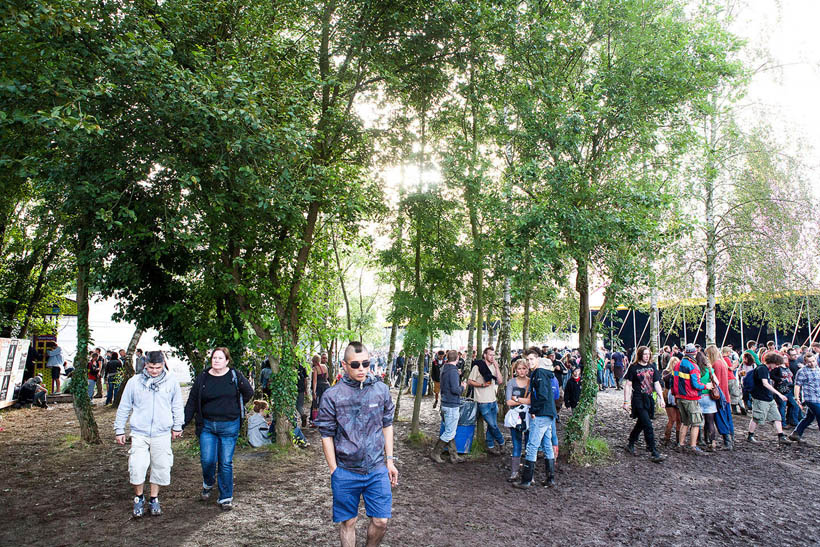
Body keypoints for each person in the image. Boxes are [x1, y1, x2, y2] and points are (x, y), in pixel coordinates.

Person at [315, 341, 398, 547]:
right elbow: (326, 435)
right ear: (344, 365)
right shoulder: (332, 396)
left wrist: (389, 460)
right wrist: (334, 470)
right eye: (355, 365)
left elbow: (387, 425)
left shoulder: (381, 390)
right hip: (346, 470)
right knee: (348, 521)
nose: (361, 369)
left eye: (366, 364)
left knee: (381, 521)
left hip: (377, 468)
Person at [183, 347, 254, 510]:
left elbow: (249, 393)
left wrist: (235, 406)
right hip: (207, 426)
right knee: (207, 460)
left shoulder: (235, 376)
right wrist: (182, 423)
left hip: (229, 425)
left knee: (225, 462)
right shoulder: (203, 377)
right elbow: (193, 401)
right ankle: (208, 482)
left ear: (227, 361)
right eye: (214, 358)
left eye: (220, 358)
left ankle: (225, 497)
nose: (216, 360)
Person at [114, 352, 184, 517]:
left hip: (162, 432)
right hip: (140, 432)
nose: (154, 371)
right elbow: (124, 406)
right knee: (137, 466)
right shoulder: (134, 382)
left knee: (160, 466)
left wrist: (177, 426)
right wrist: (119, 429)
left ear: (163, 365)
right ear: (145, 365)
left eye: (158, 367)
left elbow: (177, 405)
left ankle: (154, 498)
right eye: (151, 367)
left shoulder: (171, 381)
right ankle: (139, 498)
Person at [514, 347, 557, 489]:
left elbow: (543, 396)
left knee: (532, 446)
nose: (529, 362)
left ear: (538, 359)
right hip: (548, 413)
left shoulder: (539, 374)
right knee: (546, 445)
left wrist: (534, 410)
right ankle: (550, 479)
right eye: (527, 359)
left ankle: (526, 480)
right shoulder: (543, 373)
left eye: (531, 359)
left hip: (542, 414)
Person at [622, 346, 666, 463]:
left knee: (641, 423)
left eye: (648, 354)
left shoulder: (652, 367)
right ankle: (653, 451)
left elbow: (656, 383)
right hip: (638, 399)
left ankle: (631, 441)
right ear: (640, 354)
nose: (647, 356)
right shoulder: (634, 368)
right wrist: (626, 402)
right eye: (645, 354)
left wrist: (661, 398)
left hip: (649, 399)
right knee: (648, 425)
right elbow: (628, 384)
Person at [672, 344, 710, 455]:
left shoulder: (677, 364)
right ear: (694, 353)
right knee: (696, 423)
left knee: (685, 422)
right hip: (691, 398)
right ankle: (693, 446)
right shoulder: (693, 366)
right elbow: (696, 384)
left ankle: (681, 444)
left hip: (680, 397)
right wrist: (705, 386)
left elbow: (674, 381)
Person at [746, 352, 792, 445]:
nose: (776, 366)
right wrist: (779, 394)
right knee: (757, 417)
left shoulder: (766, 369)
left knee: (777, 417)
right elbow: (765, 383)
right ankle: (750, 435)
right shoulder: (762, 369)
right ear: (771, 362)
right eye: (776, 364)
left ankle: (781, 436)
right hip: (760, 398)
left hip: (768, 397)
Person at [466, 346, 505, 455]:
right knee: (493, 425)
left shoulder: (493, 366)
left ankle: (490, 445)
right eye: (490, 355)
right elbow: (469, 381)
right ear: (485, 355)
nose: (492, 357)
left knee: (491, 425)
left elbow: (500, 381)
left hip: (493, 399)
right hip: (482, 401)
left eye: (493, 355)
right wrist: (482, 385)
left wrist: (497, 368)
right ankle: (502, 442)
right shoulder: (478, 367)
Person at [431, 350, 466, 464]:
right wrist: (463, 387)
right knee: (450, 432)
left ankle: (453, 455)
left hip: (445, 403)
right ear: (457, 359)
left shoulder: (444, 368)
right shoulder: (453, 372)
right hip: (451, 404)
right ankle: (436, 452)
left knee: (449, 430)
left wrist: (457, 373)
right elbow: (455, 390)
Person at [503, 358, 531, 481]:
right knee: (516, 443)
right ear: (515, 370)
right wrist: (520, 401)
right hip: (515, 416)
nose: (521, 371)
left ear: (527, 369)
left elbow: (531, 401)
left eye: (524, 368)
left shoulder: (531, 382)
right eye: (519, 368)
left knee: (530, 444)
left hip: (529, 416)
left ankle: (529, 472)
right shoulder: (511, 382)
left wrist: (517, 399)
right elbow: (508, 401)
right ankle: (514, 472)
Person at [790, 351, 820, 443]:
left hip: (818, 397)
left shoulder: (818, 369)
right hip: (810, 398)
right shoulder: (802, 371)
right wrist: (797, 397)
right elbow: (797, 385)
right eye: (809, 362)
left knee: (809, 417)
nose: (812, 363)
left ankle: (796, 433)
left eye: (813, 361)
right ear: (805, 362)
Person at [696, 351, 719, 452]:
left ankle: (700, 440)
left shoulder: (695, 370)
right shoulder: (710, 370)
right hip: (709, 397)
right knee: (710, 422)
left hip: (698, 397)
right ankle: (712, 442)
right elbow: (717, 382)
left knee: (698, 422)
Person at [661, 356, 681, 447]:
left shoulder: (680, 373)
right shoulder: (666, 372)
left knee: (679, 419)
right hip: (668, 396)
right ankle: (667, 437)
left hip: (677, 395)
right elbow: (665, 379)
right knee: (672, 419)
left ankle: (678, 439)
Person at [312, 353, 331, 427]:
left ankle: (316, 421)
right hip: (326, 386)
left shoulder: (315, 368)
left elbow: (315, 381)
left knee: (316, 405)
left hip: (319, 387)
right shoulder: (325, 366)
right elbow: (327, 377)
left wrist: (314, 391)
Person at [296, 359, 309, 428]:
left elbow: (305, 379)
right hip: (301, 388)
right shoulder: (303, 367)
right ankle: (303, 415)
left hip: (295, 389)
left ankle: (301, 417)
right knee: (299, 405)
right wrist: (306, 389)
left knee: (295, 406)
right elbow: (305, 380)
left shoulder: (291, 367)